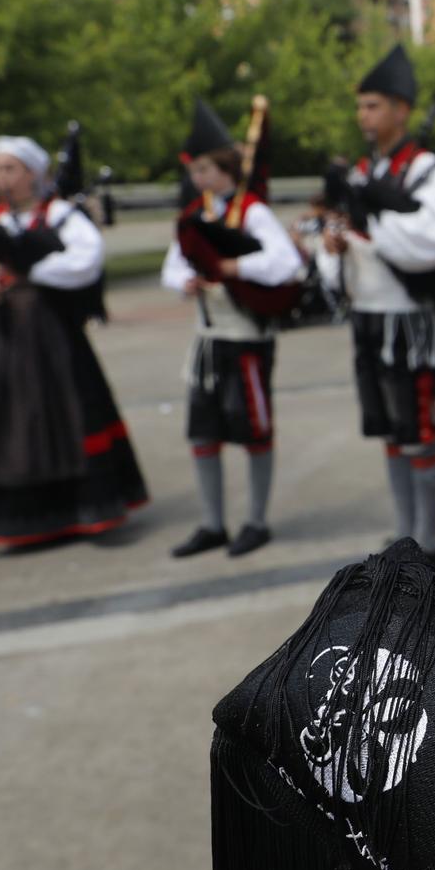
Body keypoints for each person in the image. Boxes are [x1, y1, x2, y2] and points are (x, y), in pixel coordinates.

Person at [0, 134, 147, 546]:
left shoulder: (61, 216)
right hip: (1, 341)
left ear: (33, 173)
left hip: (54, 338)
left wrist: (31, 271)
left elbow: (85, 263)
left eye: (11, 169)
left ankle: (83, 510)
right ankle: (12, 518)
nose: (3, 178)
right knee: (2, 420)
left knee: (69, 412)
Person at [314, 46, 435, 570]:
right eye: (361, 107)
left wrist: (372, 225)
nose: (364, 116)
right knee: (392, 431)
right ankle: (406, 535)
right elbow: (347, 229)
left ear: (401, 109)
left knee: (420, 428)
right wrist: (334, 248)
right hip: (369, 316)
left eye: (373, 105)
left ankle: (430, 536)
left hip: (407, 321)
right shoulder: (363, 169)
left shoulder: (425, 170)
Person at [161, 103, 305, 558]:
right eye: (195, 169)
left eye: (205, 168)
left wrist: (230, 265)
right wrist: (186, 281)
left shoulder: (252, 213)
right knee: (203, 433)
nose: (199, 177)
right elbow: (171, 267)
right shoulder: (193, 216)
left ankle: (256, 520)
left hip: (245, 340)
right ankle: (211, 523)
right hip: (208, 341)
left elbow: (286, 263)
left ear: (225, 168)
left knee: (254, 430)